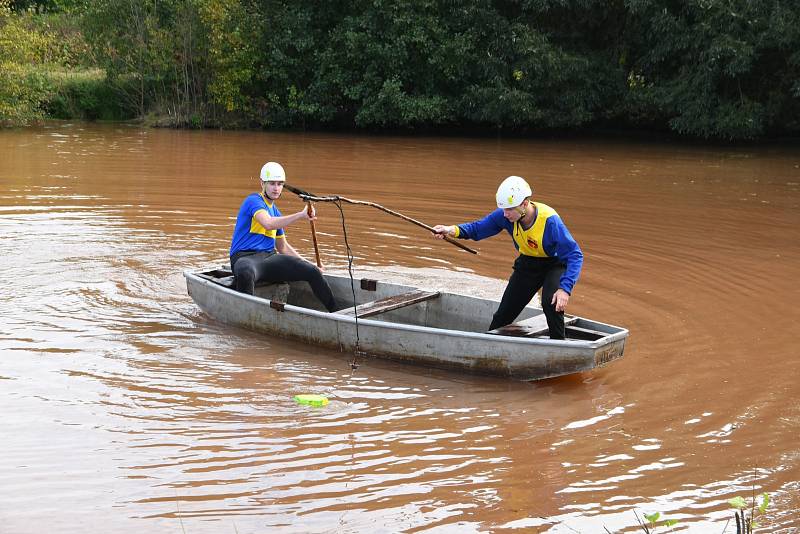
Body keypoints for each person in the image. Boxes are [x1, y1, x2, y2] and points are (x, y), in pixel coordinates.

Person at [432, 175, 583, 339]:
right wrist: (450, 230)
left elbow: (575, 255)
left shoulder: (550, 222)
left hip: (555, 264)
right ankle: (490, 344)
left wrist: (564, 290)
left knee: (551, 303)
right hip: (528, 264)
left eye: (509, 209)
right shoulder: (505, 216)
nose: (505, 214)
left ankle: (558, 345)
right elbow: (477, 229)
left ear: (524, 204)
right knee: (503, 315)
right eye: (503, 209)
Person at [229, 161, 338, 312]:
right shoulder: (253, 201)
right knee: (246, 272)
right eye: (272, 183)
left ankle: (337, 314)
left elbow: (283, 247)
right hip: (245, 258)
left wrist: (311, 265)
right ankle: (245, 314)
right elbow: (268, 223)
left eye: (279, 184)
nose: (276, 188)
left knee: (312, 272)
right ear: (262, 183)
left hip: (268, 259)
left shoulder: (276, 212)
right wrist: (300, 215)